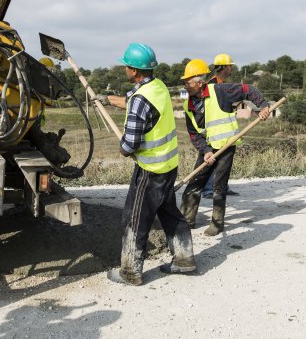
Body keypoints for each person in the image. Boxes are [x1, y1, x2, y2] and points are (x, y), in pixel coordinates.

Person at [105, 43, 197, 286]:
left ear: (134, 71)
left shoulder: (139, 100)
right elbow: (135, 102)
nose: (125, 68)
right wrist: (106, 100)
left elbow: (130, 145)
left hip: (150, 170)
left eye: (127, 65)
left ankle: (130, 272)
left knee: (135, 218)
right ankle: (184, 259)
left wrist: (123, 147)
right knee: (168, 211)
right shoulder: (158, 87)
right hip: (168, 165)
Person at [180, 59, 271, 236]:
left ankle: (217, 223)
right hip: (207, 148)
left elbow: (248, 90)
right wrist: (205, 151)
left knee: (219, 185)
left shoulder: (220, 91)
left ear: (200, 83)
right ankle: (186, 220)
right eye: (184, 83)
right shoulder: (188, 104)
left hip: (226, 146)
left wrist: (264, 105)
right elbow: (194, 133)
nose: (185, 86)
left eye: (187, 83)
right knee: (195, 182)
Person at [202, 53, 240, 199]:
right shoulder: (212, 85)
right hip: (213, 130)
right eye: (230, 66)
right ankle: (208, 189)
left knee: (224, 160)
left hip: (225, 131)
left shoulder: (221, 84)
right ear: (224, 67)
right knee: (213, 159)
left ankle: (223, 187)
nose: (231, 69)